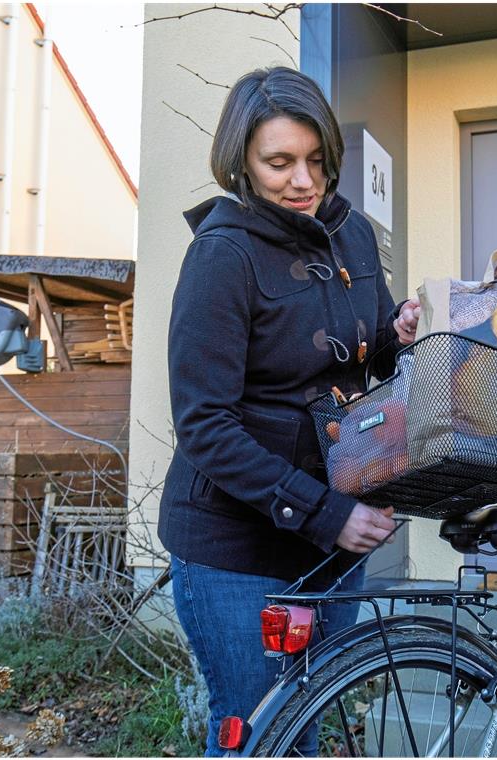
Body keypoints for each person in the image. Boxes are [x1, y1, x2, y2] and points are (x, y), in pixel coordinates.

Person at [158, 66, 421, 756]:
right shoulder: (222, 256)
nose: (302, 181)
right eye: (279, 163)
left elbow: (365, 367)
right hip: (235, 550)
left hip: (333, 544)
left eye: (315, 161)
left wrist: (398, 336)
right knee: (261, 735)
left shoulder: (354, 236)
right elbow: (205, 426)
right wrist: (331, 515)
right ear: (241, 163)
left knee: (306, 728)